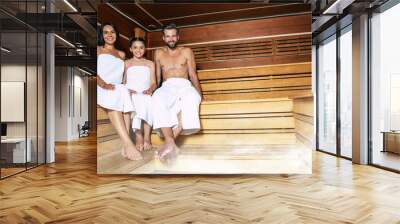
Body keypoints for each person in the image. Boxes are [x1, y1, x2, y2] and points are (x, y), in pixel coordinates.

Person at [152, 23, 203, 160]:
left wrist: (200, 95)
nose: (171, 39)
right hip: (167, 86)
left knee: (192, 99)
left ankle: (169, 142)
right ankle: (171, 144)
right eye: (168, 36)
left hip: (185, 85)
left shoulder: (186, 51)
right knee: (157, 97)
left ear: (178, 37)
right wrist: (152, 90)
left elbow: (193, 75)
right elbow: (157, 78)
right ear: (163, 38)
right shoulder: (158, 53)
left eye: (173, 36)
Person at [97, 23, 142, 161]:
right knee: (116, 95)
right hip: (101, 85)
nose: (109, 35)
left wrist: (128, 87)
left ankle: (125, 145)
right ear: (102, 35)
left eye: (112, 32)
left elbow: (123, 77)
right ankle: (128, 144)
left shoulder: (121, 54)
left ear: (116, 34)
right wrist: (103, 84)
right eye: (106, 32)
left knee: (124, 93)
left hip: (117, 86)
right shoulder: (98, 50)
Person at [124, 37, 156, 152]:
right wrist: (127, 90)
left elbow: (153, 82)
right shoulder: (126, 63)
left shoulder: (150, 63)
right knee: (135, 100)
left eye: (141, 47)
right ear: (131, 49)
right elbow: (123, 82)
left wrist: (150, 90)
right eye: (135, 47)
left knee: (148, 100)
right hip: (131, 91)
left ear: (145, 49)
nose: (138, 50)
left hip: (145, 91)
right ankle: (139, 135)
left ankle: (147, 137)